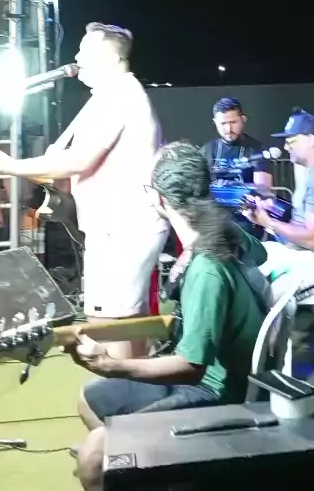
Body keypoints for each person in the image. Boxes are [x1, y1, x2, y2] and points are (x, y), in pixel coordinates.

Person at [68, 140, 268, 491]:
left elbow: (191, 367)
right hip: (220, 375)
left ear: (158, 198)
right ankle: (136, 469)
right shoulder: (225, 232)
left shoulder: (207, 269)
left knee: (93, 457)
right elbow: (261, 253)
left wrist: (111, 364)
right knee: (89, 399)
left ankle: (115, 462)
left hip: (216, 391)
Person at [0, 22, 168, 358]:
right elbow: (69, 166)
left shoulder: (121, 97)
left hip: (124, 228)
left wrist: (7, 165)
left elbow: (78, 161)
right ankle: (134, 386)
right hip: (118, 227)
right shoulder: (107, 98)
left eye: (85, 50)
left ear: (110, 56)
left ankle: (118, 386)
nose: (77, 57)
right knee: (127, 322)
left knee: (108, 326)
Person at [244, 111, 314, 305]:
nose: (286, 147)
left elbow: (312, 240)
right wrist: (269, 213)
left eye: (291, 141)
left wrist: (269, 222)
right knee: (245, 265)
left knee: (262, 296)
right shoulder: (313, 172)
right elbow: (300, 223)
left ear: (311, 140)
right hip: (301, 254)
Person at [201, 97, 273, 189]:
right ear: (215, 122)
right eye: (223, 123)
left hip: (246, 198)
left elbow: (263, 189)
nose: (228, 129)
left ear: (243, 119)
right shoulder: (207, 150)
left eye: (233, 122)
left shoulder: (257, 149)